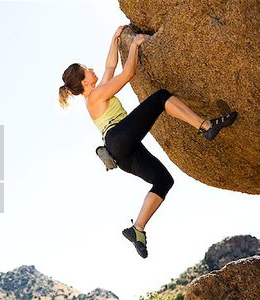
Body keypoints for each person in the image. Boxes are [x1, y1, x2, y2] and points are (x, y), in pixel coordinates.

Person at [58, 25, 237, 258]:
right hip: (118, 137)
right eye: (86, 69)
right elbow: (127, 73)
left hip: (122, 152)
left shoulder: (97, 91)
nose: (92, 69)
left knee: (164, 180)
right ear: (83, 82)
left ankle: (138, 229)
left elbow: (110, 66)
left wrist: (114, 40)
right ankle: (205, 126)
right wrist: (134, 46)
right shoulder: (94, 96)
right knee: (160, 97)